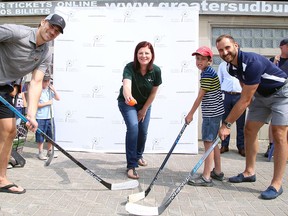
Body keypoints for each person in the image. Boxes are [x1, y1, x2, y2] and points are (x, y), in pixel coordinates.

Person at [216, 34, 288, 199]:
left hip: (282, 94)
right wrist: (247, 101)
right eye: (220, 50)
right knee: (249, 129)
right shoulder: (230, 67)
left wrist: (226, 125)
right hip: (260, 95)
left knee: (279, 134)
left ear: (236, 45)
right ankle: (249, 172)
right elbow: (244, 86)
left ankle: (276, 185)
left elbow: (245, 99)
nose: (224, 52)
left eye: (227, 47)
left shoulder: (252, 62)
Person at [0, 14, 65, 194]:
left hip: (5, 90)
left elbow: (36, 83)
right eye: (51, 26)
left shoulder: (46, 52)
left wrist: (31, 114)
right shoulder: (16, 32)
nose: (52, 32)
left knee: (9, 132)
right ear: (43, 22)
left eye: (57, 31)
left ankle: (1, 179)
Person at [117, 41, 162, 179]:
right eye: (140, 53)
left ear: (152, 55)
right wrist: (128, 96)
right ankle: (131, 165)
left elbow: (153, 93)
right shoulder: (129, 67)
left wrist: (144, 110)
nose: (143, 56)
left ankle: (138, 155)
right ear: (136, 55)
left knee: (143, 131)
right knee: (133, 127)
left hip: (145, 104)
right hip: (127, 103)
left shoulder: (156, 70)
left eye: (147, 53)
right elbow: (126, 85)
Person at [185, 46, 225, 187]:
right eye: (197, 59)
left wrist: (190, 114)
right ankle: (218, 172)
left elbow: (200, 96)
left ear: (209, 60)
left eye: (203, 59)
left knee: (208, 143)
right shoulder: (207, 72)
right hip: (215, 112)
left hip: (211, 113)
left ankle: (206, 177)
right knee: (213, 142)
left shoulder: (207, 73)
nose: (199, 61)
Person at [264, 38, 288, 158]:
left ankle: (284, 148)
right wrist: (274, 64)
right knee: (274, 122)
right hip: (276, 95)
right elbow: (268, 76)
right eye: (287, 46)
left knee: (285, 124)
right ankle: (271, 146)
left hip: (287, 95)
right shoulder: (274, 60)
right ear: (281, 47)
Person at [217, 61, 246, 157]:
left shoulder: (242, 64)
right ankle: (224, 145)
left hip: (240, 96)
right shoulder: (222, 65)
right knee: (225, 121)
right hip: (226, 95)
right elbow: (219, 81)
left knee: (240, 123)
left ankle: (241, 146)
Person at [36, 75, 60, 160]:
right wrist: (47, 103)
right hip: (41, 117)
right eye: (45, 81)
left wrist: (54, 90)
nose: (46, 83)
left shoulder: (50, 91)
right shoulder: (37, 91)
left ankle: (49, 151)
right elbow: (36, 105)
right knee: (40, 135)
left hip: (50, 116)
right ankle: (40, 152)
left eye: (48, 81)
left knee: (51, 134)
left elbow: (58, 98)